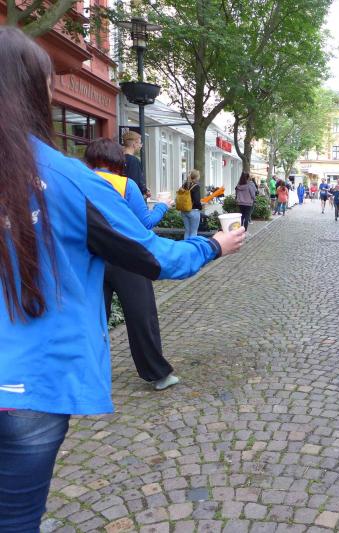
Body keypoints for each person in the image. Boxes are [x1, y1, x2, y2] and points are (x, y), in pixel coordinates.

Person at [0, 26, 245, 529]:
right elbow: (152, 256)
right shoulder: (70, 181)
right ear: (35, 93)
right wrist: (212, 245)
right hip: (31, 382)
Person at [85, 138, 181, 392]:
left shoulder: (80, 182)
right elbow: (145, 223)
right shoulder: (125, 184)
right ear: (117, 159)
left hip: (91, 258)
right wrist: (163, 205)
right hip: (127, 258)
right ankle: (157, 374)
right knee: (141, 317)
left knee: (93, 318)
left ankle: (88, 374)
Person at [122, 130, 148, 198]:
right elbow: (134, 182)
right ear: (134, 144)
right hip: (130, 197)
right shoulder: (133, 160)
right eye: (139, 143)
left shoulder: (118, 158)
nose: (140, 146)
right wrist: (144, 192)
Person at [180, 169, 203, 239]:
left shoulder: (184, 185)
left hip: (184, 210)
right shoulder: (196, 186)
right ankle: (192, 246)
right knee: (193, 232)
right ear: (196, 177)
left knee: (187, 231)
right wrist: (201, 206)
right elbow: (196, 201)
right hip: (193, 211)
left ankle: (185, 245)